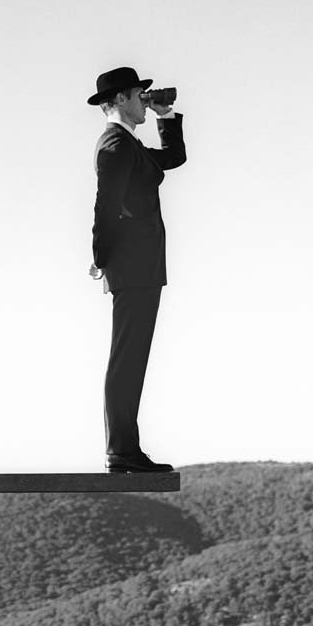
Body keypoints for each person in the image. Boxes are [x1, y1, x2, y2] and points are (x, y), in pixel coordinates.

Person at [87, 66, 186, 473]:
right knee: (127, 358)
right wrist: (101, 258)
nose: (145, 100)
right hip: (132, 265)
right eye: (140, 95)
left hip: (142, 265)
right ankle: (121, 451)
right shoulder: (115, 146)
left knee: (132, 357)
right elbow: (104, 206)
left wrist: (165, 116)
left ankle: (126, 448)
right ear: (124, 99)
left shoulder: (129, 144)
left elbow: (174, 158)